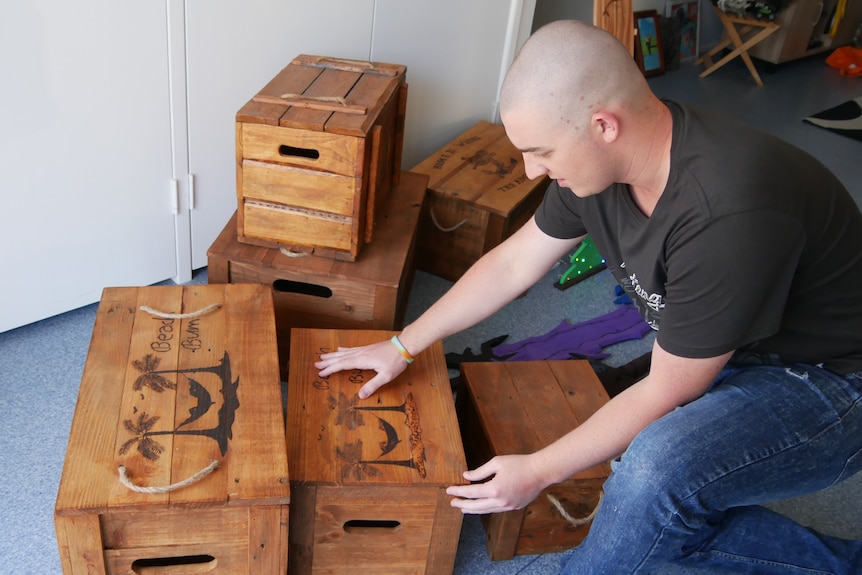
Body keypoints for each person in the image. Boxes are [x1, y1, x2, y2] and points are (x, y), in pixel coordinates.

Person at [315, 19, 862, 574]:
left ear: (603, 125)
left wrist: (538, 471)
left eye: (541, 151)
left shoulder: (728, 211)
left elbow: (670, 387)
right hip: (741, 345)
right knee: (642, 494)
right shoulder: (600, 168)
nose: (532, 171)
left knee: (654, 472)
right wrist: (402, 345)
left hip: (833, 383)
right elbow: (512, 263)